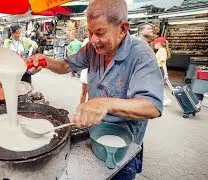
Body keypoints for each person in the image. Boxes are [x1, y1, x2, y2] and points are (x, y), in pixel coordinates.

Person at [26, 0, 163, 179]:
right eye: (90, 32)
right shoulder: (92, 49)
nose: (93, 40)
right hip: (94, 130)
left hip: (122, 140)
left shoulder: (141, 55)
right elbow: (65, 66)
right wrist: (44, 61)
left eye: (100, 33)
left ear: (123, 28)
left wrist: (105, 104)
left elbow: (152, 106)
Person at [154, 37, 172, 106]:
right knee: (157, 85)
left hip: (159, 69)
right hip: (157, 69)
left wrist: (166, 74)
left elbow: (163, 63)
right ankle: (161, 99)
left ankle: (166, 99)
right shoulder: (160, 50)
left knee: (159, 85)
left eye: (155, 43)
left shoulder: (162, 51)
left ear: (159, 44)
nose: (154, 45)